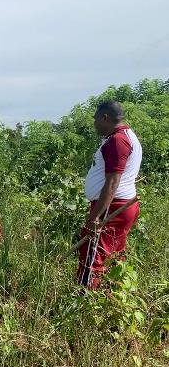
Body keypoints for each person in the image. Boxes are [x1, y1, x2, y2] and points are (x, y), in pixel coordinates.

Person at [77, 101, 142, 289]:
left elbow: (113, 181)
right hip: (120, 205)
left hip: (112, 207)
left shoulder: (117, 141)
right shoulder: (126, 136)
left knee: (93, 254)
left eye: (95, 119)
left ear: (105, 117)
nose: (94, 123)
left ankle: (84, 301)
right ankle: (111, 296)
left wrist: (95, 216)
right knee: (114, 256)